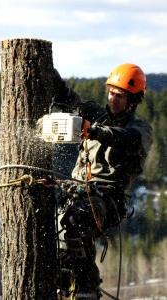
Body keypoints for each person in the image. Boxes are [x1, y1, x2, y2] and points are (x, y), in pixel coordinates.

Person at [52, 63, 153, 299]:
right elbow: (68, 96)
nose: (113, 99)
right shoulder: (96, 114)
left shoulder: (140, 129)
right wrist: (47, 70)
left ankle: (87, 288)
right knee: (44, 220)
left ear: (133, 100)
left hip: (107, 199)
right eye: (111, 93)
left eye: (120, 96)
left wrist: (95, 131)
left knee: (77, 219)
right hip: (75, 191)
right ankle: (60, 276)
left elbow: (127, 139)